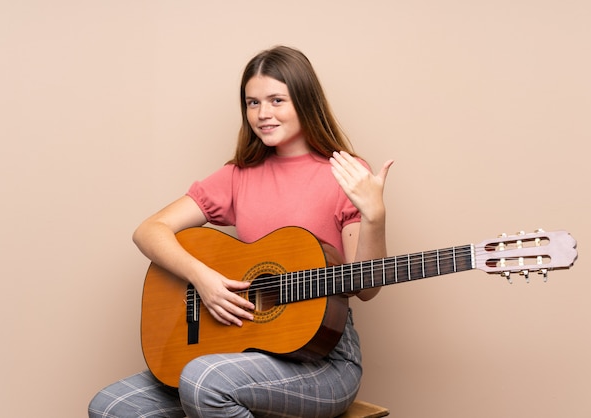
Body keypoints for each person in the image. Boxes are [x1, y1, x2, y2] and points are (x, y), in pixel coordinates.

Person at [88, 45, 393, 418]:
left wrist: (374, 215)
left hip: (322, 361)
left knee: (204, 380)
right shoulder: (237, 175)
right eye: (252, 103)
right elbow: (149, 230)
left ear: (304, 101)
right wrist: (203, 279)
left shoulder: (345, 173)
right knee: (112, 407)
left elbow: (365, 287)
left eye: (276, 100)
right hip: (239, 351)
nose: (263, 114)